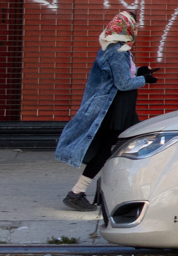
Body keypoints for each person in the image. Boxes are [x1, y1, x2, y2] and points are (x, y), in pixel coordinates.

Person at [56, 11, 156, 211]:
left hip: (120, 108)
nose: (136, 29)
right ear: (127, 27)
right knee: (112, 149)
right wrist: (144, 80)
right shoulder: (117, 50)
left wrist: (140, 71)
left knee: (119, 148)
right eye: (134, 25)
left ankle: (101, 191)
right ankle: (77, 193)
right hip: (116, 110)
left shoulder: (119, 48)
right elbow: (123, 83)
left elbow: (120, 76)